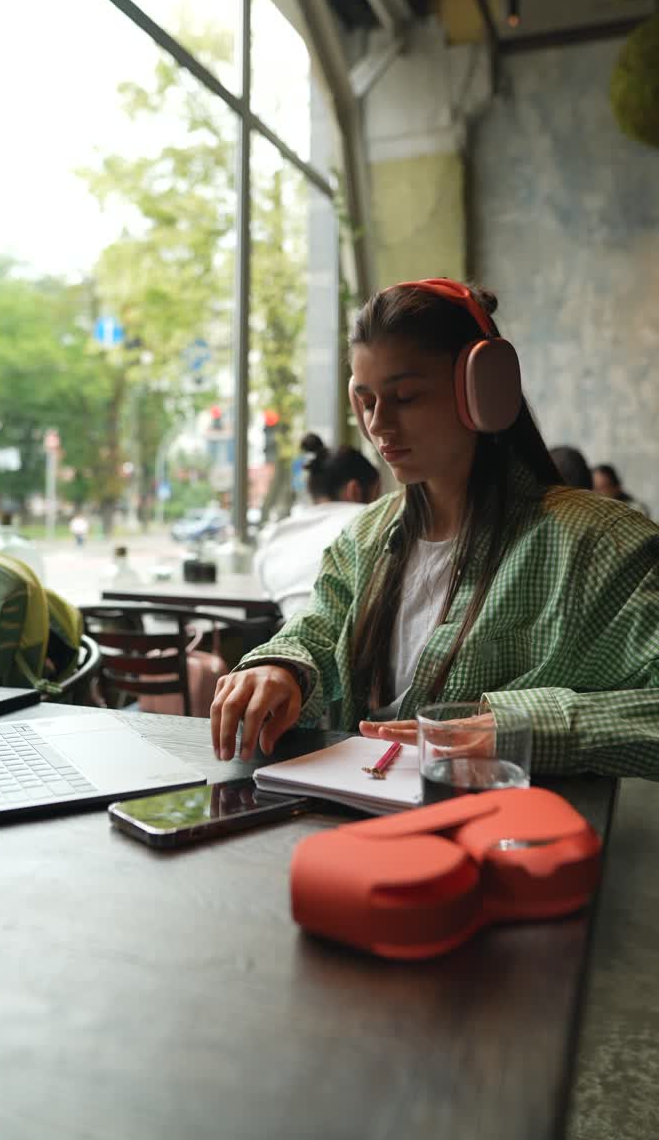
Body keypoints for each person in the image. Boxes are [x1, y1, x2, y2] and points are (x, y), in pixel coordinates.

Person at [210, 279, 659, 780]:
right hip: (356, 825)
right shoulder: (362, 540)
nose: (379, 424)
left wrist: (524, 729)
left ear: (483, 390)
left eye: (405, 397)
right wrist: (281, 668)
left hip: (506, 840)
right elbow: (317, 631)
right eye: (366, 400)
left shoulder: (600, 545)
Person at [254, 433, 380, 618]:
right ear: (354, 490)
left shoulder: (278, 533)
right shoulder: (370, 520)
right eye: (377, 494)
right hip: (360, 640)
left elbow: (266, 593)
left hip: (290, 640)